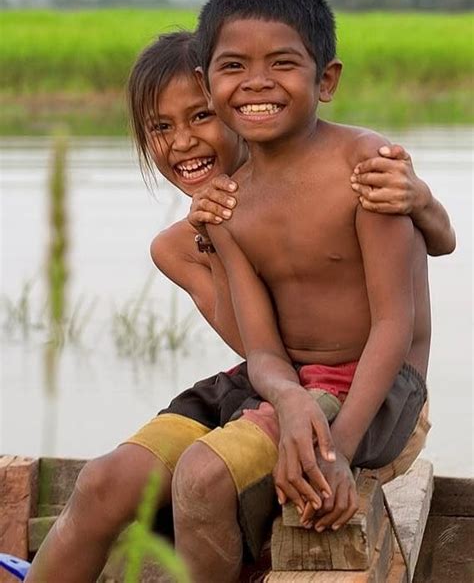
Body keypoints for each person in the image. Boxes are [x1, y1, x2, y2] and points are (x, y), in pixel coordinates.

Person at [25, 29, 454, 583]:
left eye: (200, 116)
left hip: (360, 391)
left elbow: (434, 244)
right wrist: (219, 240)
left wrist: (423, 198)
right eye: (160, 128)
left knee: (203, 478)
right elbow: (255, 346)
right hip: (265, 378)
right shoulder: (176, 246)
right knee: (103, 482)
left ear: (238, 109)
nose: (182, 142)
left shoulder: (340, 175)